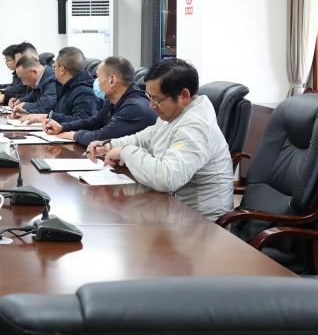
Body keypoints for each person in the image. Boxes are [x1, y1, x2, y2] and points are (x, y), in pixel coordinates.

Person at [88, 59, 233, 221]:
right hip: (172, 209)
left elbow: (167, 178)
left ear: (184, 95)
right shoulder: (174, 114)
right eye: (150, 97)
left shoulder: (196, 127)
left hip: (200, 223)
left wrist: (124, 152)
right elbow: (143, 139)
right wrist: (109, 145)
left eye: (157, 99)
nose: (151, 105)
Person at [44, 56, 157, 146]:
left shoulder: (134, 107)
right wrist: (62, 127)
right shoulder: (112, 100)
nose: (95, 82)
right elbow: (94, 122)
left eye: (98, 77)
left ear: (112, 80)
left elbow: (102, 137)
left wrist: (74, 135)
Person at [20, 47, 101, 124]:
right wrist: (39, 116)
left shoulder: (84, 91)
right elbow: (59, 113)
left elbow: (83, 120)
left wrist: (47, 117)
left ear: (62, 70)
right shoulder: (65, 86)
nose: (53, 69)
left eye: (54, 66)